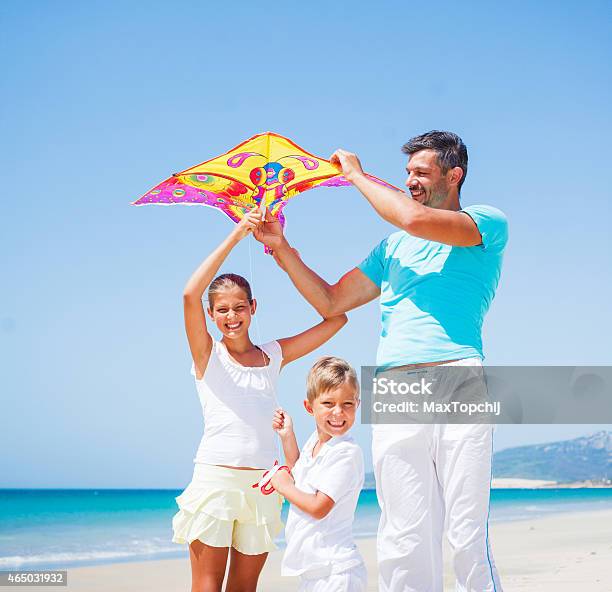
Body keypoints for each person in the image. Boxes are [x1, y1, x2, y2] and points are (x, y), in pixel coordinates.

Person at [255, 131, 508, 591]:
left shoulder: (486, 223)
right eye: (407, 173)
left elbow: (414, 218)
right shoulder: (392, 249)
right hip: (397, 386)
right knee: (404, 533)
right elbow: (331, 302)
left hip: (457, 377)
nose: (410, 181)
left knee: (465, 530)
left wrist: (354, 175)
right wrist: (280, 248)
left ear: (455, 176)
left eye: (421, 173)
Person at [172, 208, 348, 592]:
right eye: (222, 310)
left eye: (239, 307)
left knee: (245, 587)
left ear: (254, 307)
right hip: (215, 479)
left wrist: (281, 250)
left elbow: (336, 319)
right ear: (211, 314)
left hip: (263, 484)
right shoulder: (207, 355)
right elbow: (189, 293)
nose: (231, 316)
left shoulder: (274, 355)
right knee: (206, 585)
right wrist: (236, 235)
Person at [270, 356, 367, 592]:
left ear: (357, 405)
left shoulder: (346, 452)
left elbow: (318, 507)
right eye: (328, 403)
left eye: (347, 404)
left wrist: (282, 486)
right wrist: (287, 436)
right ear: (309, 407)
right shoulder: (315, 442)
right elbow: (298, 476)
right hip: (314, 572)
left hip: (337, 572)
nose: (338, 412)